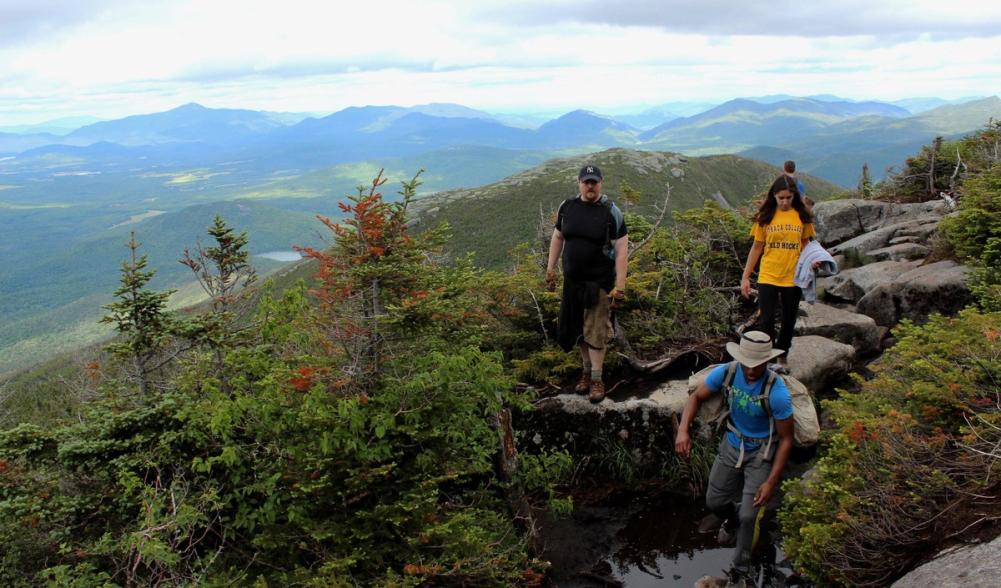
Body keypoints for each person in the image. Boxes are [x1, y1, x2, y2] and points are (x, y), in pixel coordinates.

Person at [675, 331, 795, 575]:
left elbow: (786, 439)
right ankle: (734, 516)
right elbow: (696, 397)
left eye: (757, 366)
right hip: (731, 443)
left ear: (767, 361)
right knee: (714, 501)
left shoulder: (777, 393)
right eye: (747, 364)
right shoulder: (727, 372)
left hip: (761, 452)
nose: (751, 371)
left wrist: (771, 481)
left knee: (750, 517)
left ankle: (740, 570)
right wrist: (683, 431)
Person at [545, 164, 628, 403]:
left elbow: (621, 250)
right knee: (578, 329)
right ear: (579, 183)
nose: (590, 186)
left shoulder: (611, 212)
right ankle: (586, 372)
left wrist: (620, 286)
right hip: (572, 283)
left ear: (601, 182)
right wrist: (550, 270)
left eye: (594, 181)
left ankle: (597, 379)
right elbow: (558, 237)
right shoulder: (567, 208)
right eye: (586, 181)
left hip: (599, 283)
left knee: (596, 332)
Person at [740, 175, 817, 373]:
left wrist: (813, 262)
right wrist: (746, 277)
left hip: (793, 276)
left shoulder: (801, 216)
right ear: (774, 196)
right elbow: (757, 247)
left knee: (789, 319)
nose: (784, 202)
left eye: (788, 198)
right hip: (768, 275)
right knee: (766, 319)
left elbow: (806, 244)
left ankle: (782, 356)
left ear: (794, 197)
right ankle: (768, 357)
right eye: (780, 198)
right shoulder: (765, 217)